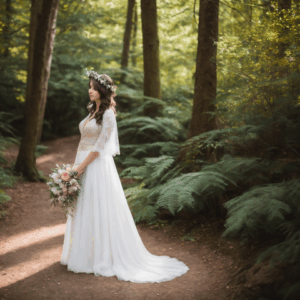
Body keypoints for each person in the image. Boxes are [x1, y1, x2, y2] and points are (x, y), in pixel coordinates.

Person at [60, 70, 189, 283]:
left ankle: (102, 258)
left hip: (96, 167)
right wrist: (75, 167)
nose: (90, 90)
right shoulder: (92, 110)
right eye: (89, 87)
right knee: (84, 206)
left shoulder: (109, 114)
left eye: (93, 87)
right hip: (82, 164)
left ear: (103, 90)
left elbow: (100, 148)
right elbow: (84, 141)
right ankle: (85, 254)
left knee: (99, 207)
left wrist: (79, 168)